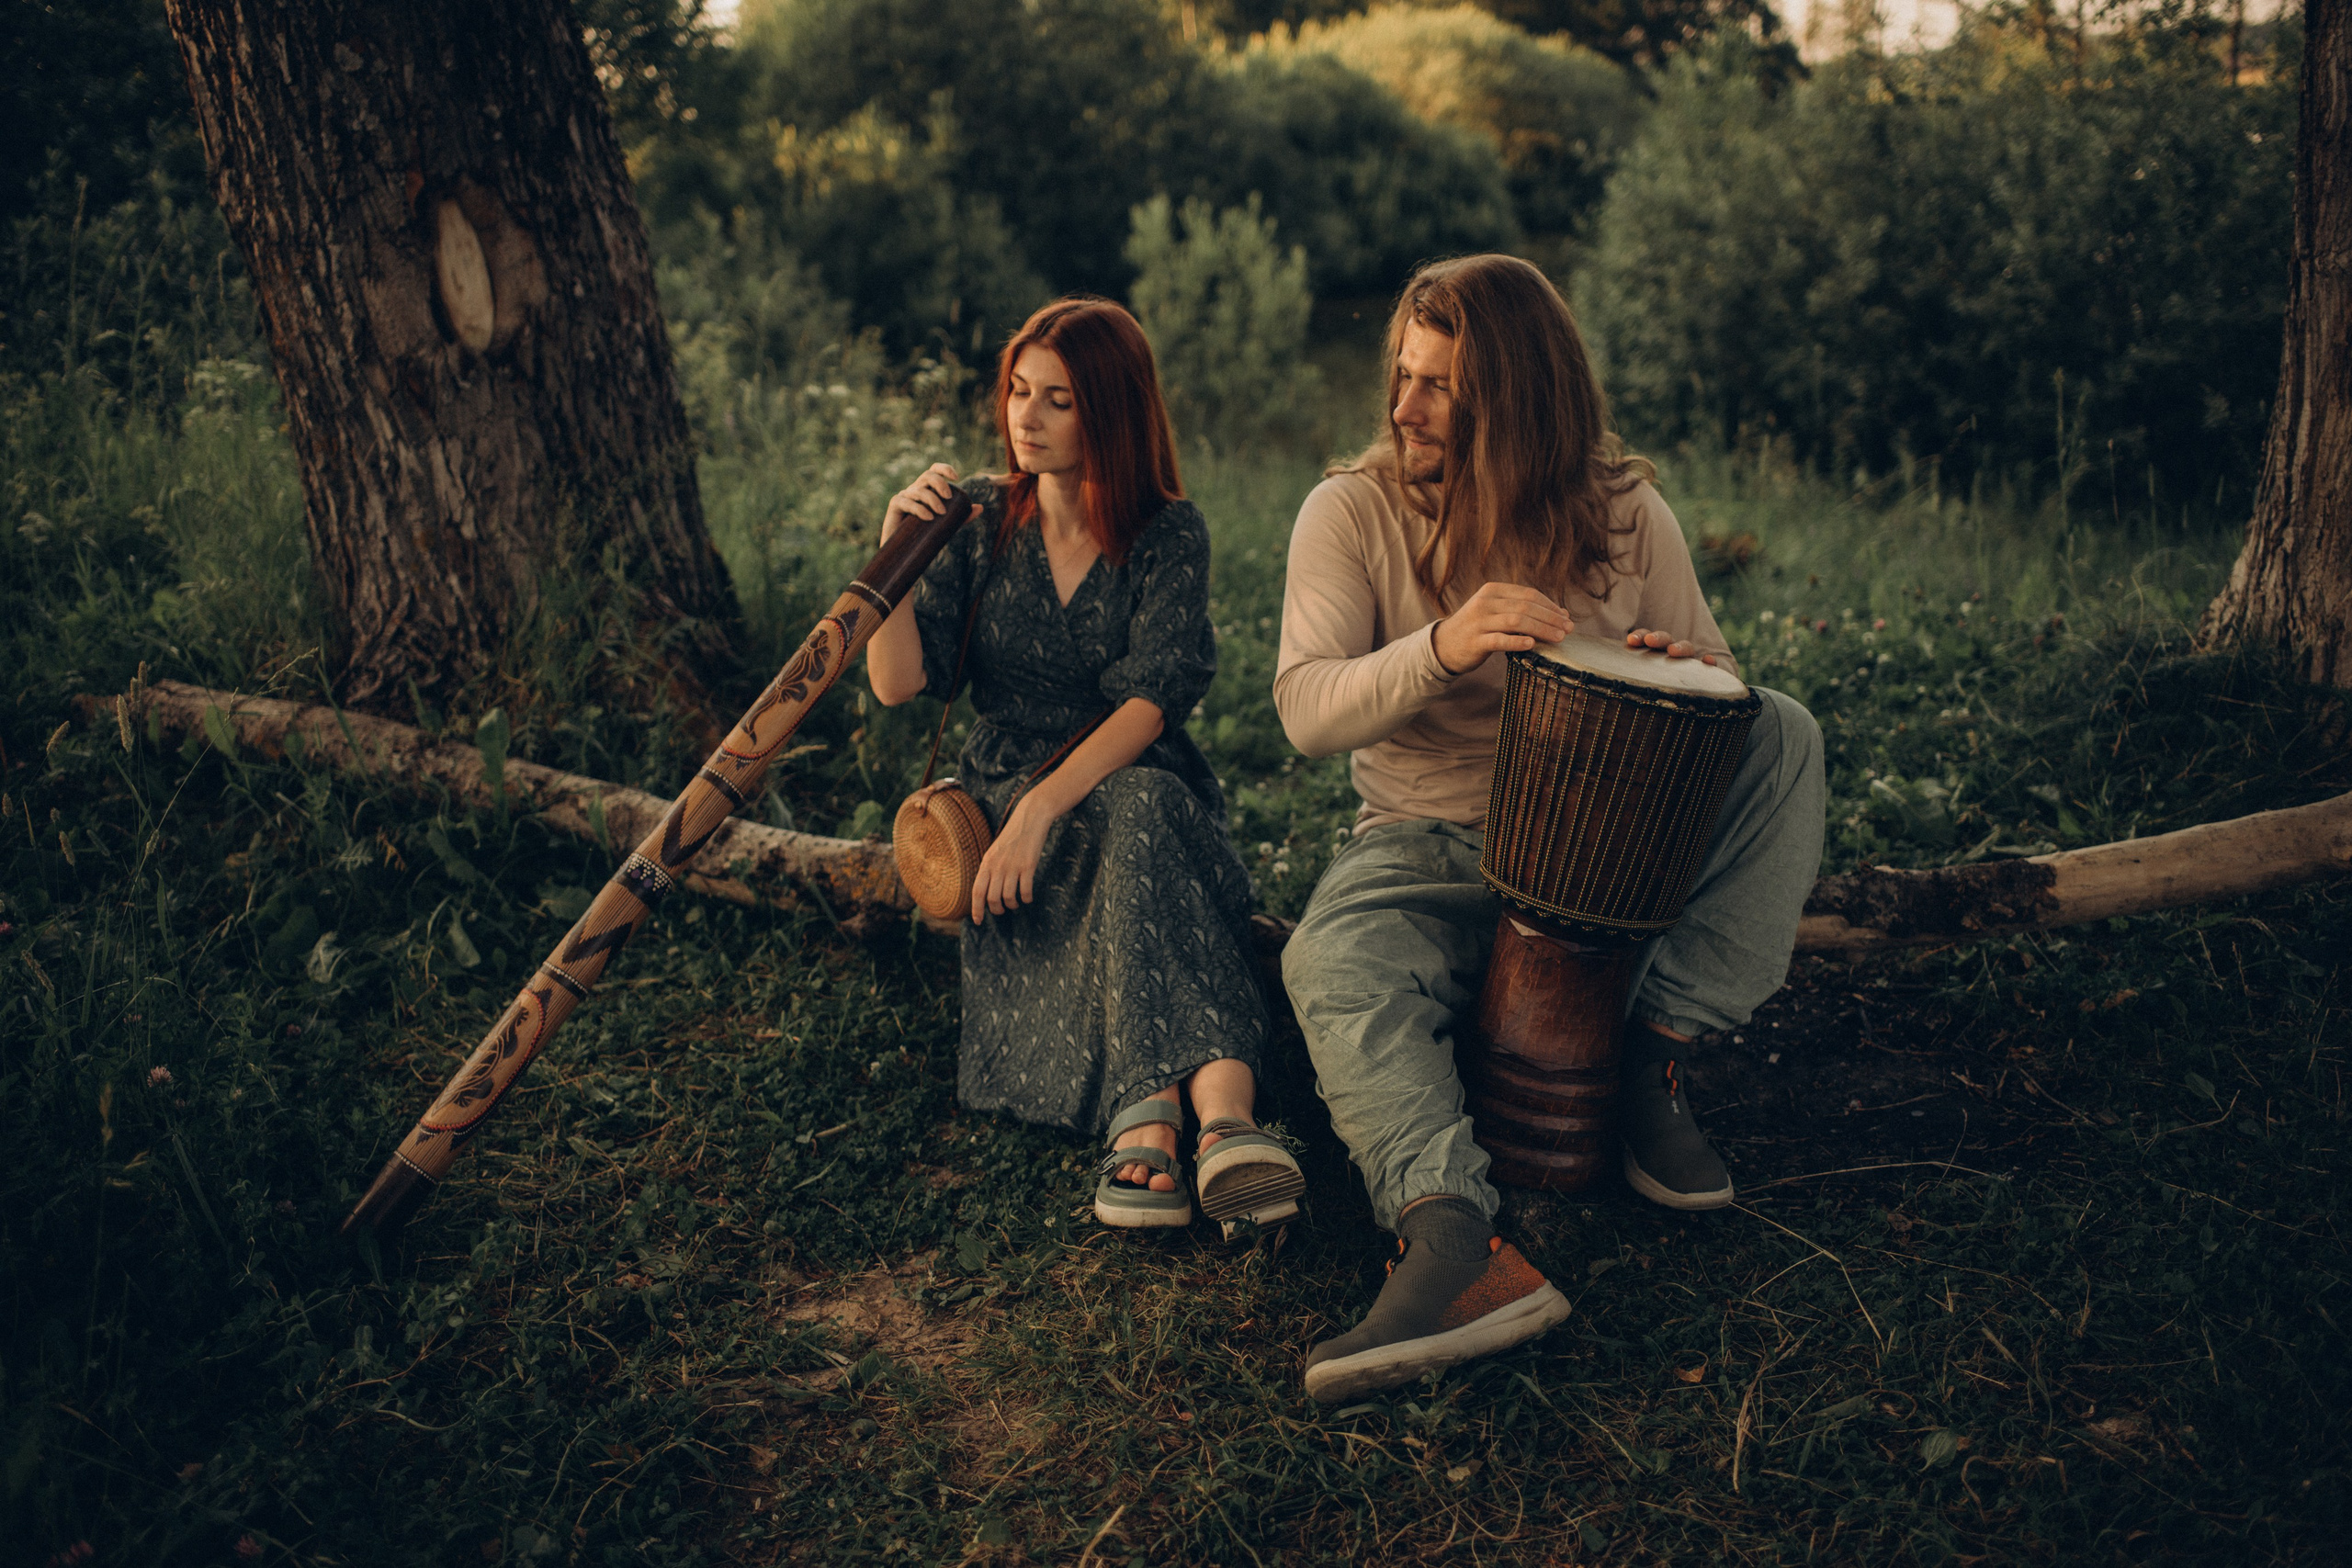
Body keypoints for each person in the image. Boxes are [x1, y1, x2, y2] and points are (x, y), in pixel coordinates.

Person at [1275, 255, 1826, 1401]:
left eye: (1441, 390)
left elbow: (1718, 673)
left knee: (1779, 733)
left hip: (1613, 844)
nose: (1404, 407)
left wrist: (1684, 669)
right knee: (1328, 958)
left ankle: (1651, 1061)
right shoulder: (1355, 507)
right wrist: (1444, 644)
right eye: (1404, 375)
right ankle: (1451, 1241)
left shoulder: (1622, 510)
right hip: (1427, 846)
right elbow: (1305, 707)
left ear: (1518, 406)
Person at [865, 298, 1305, 1240]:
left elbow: (1148, 706)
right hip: (1002, 795)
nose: (1025, 417)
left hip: (1128, 775)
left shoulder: (1167, 533)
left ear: (1110, 406)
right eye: (1018, 392)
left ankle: (1159, 1121)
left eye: (1056, 400)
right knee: (1145, 849)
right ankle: (1225, 1117)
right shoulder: (980, 517)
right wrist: (894, 559)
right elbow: (900, 683)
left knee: (1140, 804)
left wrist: (1043, 811)